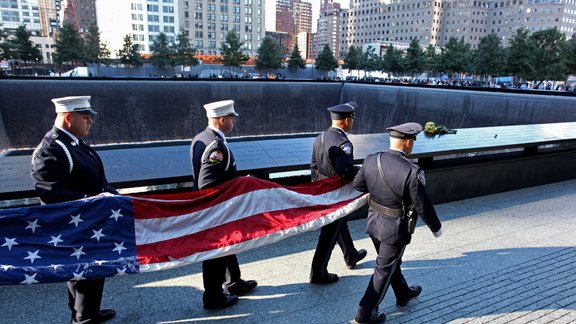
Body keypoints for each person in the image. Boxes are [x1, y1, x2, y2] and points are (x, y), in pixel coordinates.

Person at [31, 96, 117, 323]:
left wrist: (115, 198)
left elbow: (99, 181)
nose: (90, 122)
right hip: (75, 225)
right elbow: (50, 193)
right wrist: (93, 200)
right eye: (86, 117)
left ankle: (89, 311)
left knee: (94, 270)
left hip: (90, 221)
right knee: (82, 272)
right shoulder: (52, 148)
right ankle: (82, 318)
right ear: (68, 117)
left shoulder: (74, 144)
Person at [352, 122, 443, 323]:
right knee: (384, 268)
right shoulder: (412, 170)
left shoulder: (371, 159)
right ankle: (365, 312)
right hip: (395, 228)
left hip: (374, 222)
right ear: (408, 142)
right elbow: (422, 204)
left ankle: (402, 293)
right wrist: (436, 228)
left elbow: (358, 185)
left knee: (390, 262)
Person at [190, 99, 258, 310]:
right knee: (216, 252)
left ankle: (233, 282)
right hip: (216, 209)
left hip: (214, 208)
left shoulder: (201, 137)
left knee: (227, 245)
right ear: (222, 119)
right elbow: (207, 183)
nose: (233, 121)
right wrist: (236, 187)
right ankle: (213, 297)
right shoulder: (216, 146)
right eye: (231, 118)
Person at [309, 101, 368, 284]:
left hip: (323, 189)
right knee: (329, 232)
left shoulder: (320, 137)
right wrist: (363, 172)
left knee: (339, 223)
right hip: (336, 193)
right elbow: (346, 172)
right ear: (347, 120)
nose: (353, 122)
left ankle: (350, 254)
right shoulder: (343, 142)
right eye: (352, 119)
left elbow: (313, 167)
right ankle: (318, 272)